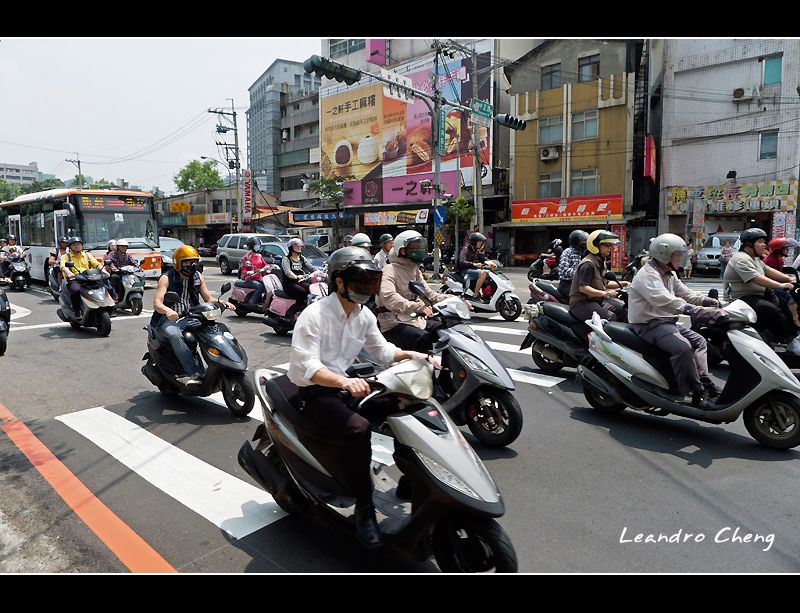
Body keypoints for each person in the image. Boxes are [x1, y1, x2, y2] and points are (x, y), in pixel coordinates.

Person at [287, 247, 436, 549]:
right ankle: (364, 509)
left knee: (411, 405)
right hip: (316, 391)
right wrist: (344, 381)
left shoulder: (364, 315)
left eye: (370, 283)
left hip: (348, 385)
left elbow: (382, 352)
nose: (367, 290)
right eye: (360, 282)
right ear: (339, 282)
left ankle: (415, 477)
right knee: (358, 429)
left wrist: (413, 355)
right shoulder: (314, 315)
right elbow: (308, 367)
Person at [628, 233, 725, 409]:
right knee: (683, 348)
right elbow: (664, 300)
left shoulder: (669, 274)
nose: (680, 259)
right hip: (649, 325)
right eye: (677, 255)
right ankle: (694, 391)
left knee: (700, 342)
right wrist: (692, 310)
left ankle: (703, 380)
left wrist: (708, 301)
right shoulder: (648, 275)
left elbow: (685, 293)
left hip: (666, 323)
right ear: (664, 254)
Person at [151, 245, 234, 386]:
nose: (192, 265)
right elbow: (157, 303)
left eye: (194, 262)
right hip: (171, 319)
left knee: (222, 329)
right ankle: (194, 372)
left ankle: (226, 363)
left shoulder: (197, 276)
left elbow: (208, 298)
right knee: (175, 336)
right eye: (188, 262)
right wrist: (168, 310)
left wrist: (223, 302)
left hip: (193, 315)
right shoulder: (166, 278)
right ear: (178, 263)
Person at [723, 228, 800, 353]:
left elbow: (769, 271)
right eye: (760, 241)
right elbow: (757, 279)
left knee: (786, 303)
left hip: (757, 295)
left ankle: (792, 334)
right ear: (749, 244)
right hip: (741, 299)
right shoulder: (741, 259)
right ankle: (790, 341)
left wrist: (790, 279)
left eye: (764, 241)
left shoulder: (755, 258)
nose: (764, 244)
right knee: (770, 309)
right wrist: (781, 285)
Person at [376, 230, 449, 352]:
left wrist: (456, 300)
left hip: (414, 319)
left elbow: (430, 295)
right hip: (393, 323)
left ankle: (447, 369)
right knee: (422, 338)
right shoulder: (389, 270)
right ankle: (425, 369)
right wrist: (416, 307)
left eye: (420, 246)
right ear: (402, 250)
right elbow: (389, 297)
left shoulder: (415, 270)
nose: (419, 250)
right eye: (415, 247)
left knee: (448, 330)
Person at [569, 230, 625, 322]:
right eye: (606, 246)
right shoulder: (588, 264)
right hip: (581, 303)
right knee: (611, 317)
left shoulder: (601, 262)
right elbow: (583, 288)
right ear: (595, 245)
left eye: (610, 246)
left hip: (595, 301)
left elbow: (606, 283)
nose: (609, 248)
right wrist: (606, 293)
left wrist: (626, 284)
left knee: (621, 311)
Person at [59, 237, 105, 313]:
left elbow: (96, 264)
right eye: (74, 245)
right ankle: (76, 311)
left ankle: (106, 307)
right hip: (75, 279)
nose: (77, 246)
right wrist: (69, 273)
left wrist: (103, 270)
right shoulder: (66, 256)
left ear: (82, 246)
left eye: (78, 244)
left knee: (104, 287)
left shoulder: (87, 255)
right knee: (76, 290)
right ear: (70, 247)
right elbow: (63, 267)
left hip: (88, 278)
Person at [457, 232, 495, 301]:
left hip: (471, 270)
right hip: (464, 271)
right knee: (483, 273)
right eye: (479, 242)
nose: (481, 244)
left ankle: (486, 295)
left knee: (489, 274)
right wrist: (474, 264)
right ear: (474, 242)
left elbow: (484, 258)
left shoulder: (475, 250)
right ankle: (475, 295)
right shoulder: (465, 249)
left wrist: (491, 263)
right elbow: (462, 261)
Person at [280, 238, 317, 307]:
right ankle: (297, 310)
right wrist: (296, 277)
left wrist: (319, 272)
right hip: (289, 283)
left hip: (300, 281)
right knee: (302, 292)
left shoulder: (302, 258)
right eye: (296, 246)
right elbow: (288, 272)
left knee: (311, 288)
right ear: (291, 247)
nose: (299, 247)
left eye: (300, 246)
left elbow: (310, 267)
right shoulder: (286, 259)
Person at [239, 237, 269, 305]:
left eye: (258, 246)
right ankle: (252, 301)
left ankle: (264, 301)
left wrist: (267, 267)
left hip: (259, 278)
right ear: (251, 247)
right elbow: (243, 270)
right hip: (250, 279)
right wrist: (248, 272)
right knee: (260, 287)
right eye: (256, 246)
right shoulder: (247, 257)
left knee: (268, 286)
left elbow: (265, 264)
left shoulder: (259, 256)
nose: (257, 247)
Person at [558, 230, 588, 297]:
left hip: (579, 283)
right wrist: (580, 273)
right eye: (583, 240)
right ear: (575, 241)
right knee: (581, 299)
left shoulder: (583, 253)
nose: (585, 242)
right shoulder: (568, 252)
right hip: (567, 284)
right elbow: (564, 270)